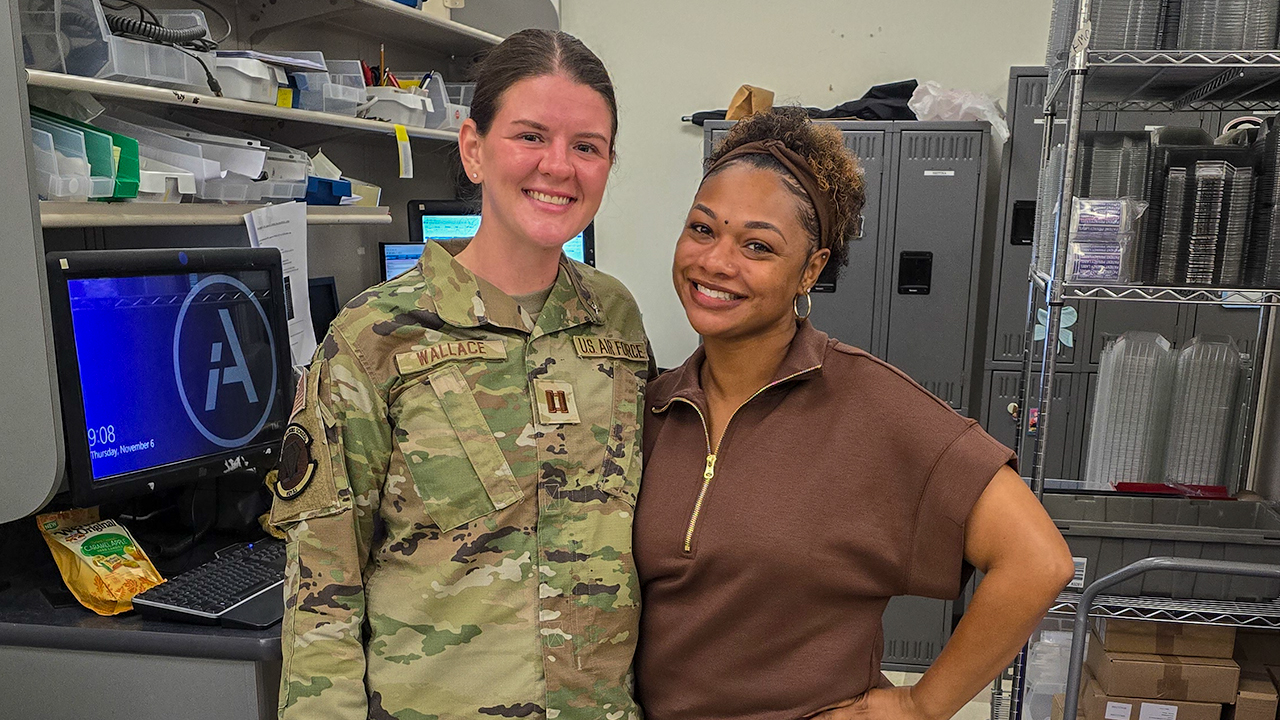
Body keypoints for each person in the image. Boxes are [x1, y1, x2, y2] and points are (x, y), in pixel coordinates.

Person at [633, 108, 1076, 720]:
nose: (716, 262)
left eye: (757, 246)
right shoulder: (654, 407)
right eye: (703, 230)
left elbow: (1038, 561)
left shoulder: (869, 406)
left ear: (810, 269)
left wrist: (922, 704)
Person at [268, 29, 650, 720]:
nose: (559, 166)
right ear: (473, 149)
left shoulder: (615, 322)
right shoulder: (373, 339)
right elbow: (321, 594)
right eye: (531, 136)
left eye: (586, 146)